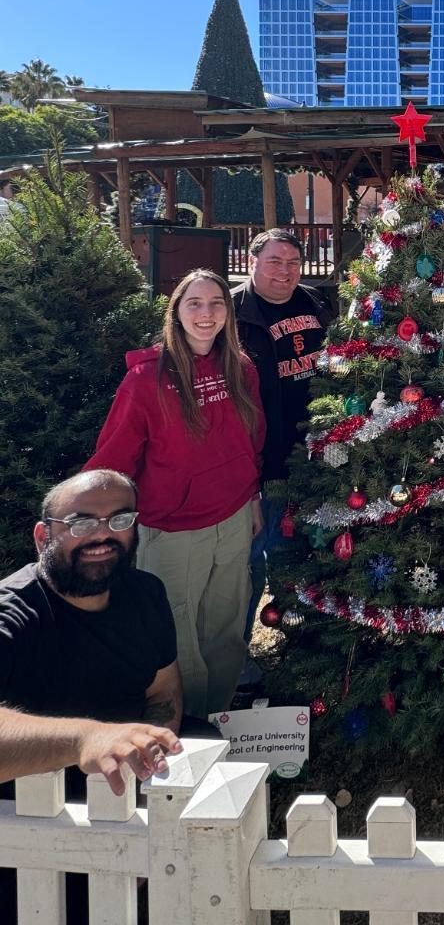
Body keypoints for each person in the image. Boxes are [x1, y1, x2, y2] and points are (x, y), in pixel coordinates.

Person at [86, 270, 265, 719]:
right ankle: (183, 733)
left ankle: (216, 721)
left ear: (228, 311)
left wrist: (254, 497)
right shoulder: (146, 380)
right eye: (195, 304)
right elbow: (113, 458)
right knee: (177, 640)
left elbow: (253, 438)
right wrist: (95, 521)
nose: (206, 315)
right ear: (176, 312)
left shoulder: (240, 368)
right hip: (173, 530)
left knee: (225, 631)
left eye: (216, 304)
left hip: (234, 518)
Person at [0, 470, 183, 734]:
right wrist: (91, 744)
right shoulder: (12, 615)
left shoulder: (146, 593)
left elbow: (163, 690)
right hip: (38, 774)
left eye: (120, 520)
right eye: (81, 524)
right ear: (43, 537)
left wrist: (152, 750)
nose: (102, 536)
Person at [232, 229, 333, 643]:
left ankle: (300, 639)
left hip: (314, 456)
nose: (285, 272)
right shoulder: (233, 311)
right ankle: (235, 655)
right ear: (252, 262)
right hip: (262, 460)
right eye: (275, 262)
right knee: (252, 560)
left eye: (293, 263)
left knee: (300, 554)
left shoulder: (314, 302)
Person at [0, 707, 180, 794]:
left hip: (129, 831)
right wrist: (83, 738)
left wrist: (150, 774)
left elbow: (162, 690)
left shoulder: (147, 632)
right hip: (24, 847)